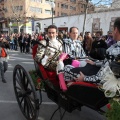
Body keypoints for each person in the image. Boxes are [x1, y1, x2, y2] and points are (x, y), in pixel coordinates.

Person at [63, 17, 120, 84]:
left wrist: (84, 78)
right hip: (83, 63)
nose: (75, 35)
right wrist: (95, 63)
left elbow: (99, 78)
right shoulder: (66, 42)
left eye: (76, 33)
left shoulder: (114, 50)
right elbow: (108, 64)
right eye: (73, 33)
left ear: (115, 29)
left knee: (66, 69)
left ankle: (69, 89)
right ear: (69, 33)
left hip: (103, 82)